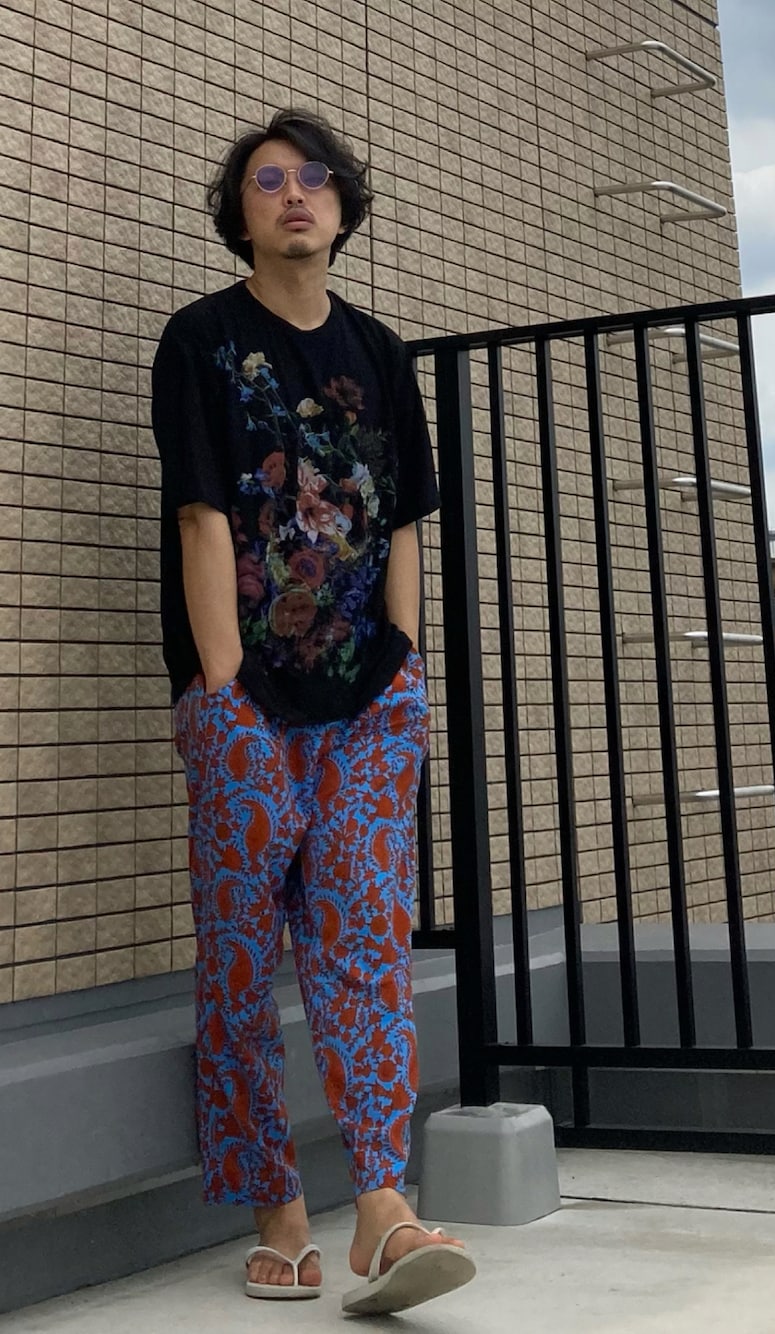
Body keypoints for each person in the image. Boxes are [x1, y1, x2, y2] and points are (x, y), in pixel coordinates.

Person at [151, 107, 475, 1316]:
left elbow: (402, 520)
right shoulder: (201, 339)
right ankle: (276, 1208)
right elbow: (201, 513)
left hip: (368, 699)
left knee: (364, 941)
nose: (294, 193)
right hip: (242, 700)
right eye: (268, 179)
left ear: (342, 207)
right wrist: (221, 681)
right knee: (242, 952)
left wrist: (405, 661)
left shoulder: (379, 351)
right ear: (239, 213)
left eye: (314, 177)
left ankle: (382, 1206)